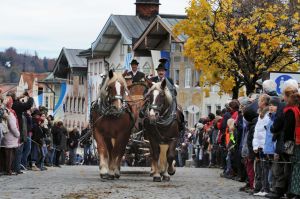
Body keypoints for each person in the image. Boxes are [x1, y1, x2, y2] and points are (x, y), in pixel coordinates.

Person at [0, 96, 20, 175]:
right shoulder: (9, 112)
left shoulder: (7, 111)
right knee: (9, 156)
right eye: (11, 103)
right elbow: (12, 126)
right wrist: (17, 134)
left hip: (6, 137)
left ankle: (5, 169)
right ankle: (8, 170)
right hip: (10, 137)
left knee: (5, 155)